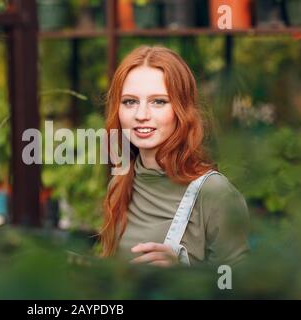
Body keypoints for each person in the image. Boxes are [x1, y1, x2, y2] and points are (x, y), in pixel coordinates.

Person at [100, 45, 250, 267]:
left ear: (182, 109)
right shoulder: (119, 184)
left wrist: (184, 272)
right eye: (130, 101)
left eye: (158, 101)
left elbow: (244, 288)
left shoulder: (215, 193)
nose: (141, 115)